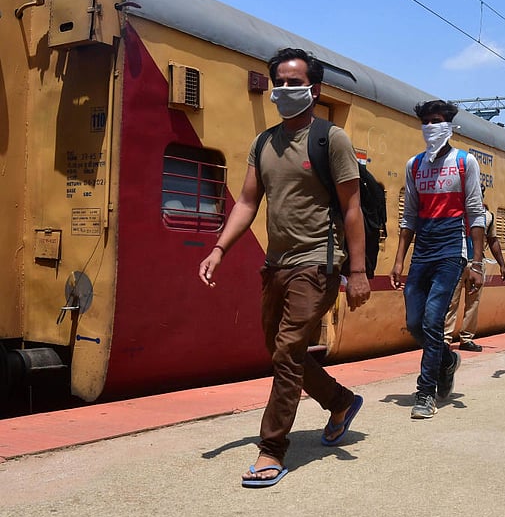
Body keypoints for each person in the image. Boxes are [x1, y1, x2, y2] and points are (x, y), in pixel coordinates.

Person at [198, 48, 369, 488]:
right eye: (281, 82)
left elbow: (352, 208)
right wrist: (219, 249)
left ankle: (271, 449)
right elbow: (248, 202)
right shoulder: (264, 143)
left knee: (288, 350)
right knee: (280, 351)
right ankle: (341, 401)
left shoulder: (332, 140)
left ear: (314, 89)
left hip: (318, 263)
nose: (286, 89)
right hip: (276, 265)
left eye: (296, 82)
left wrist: (358, 271)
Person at [390, 100, 485, 419]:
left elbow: (476, 214)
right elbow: (409, 216)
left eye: (437, 121)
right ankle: (447, 360)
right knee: (415, 323)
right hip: (422, 251)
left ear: (449, 125)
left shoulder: (464, 162)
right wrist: (399, 260)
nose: (431, 127)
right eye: (426, 122)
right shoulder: (414, 165)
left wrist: (476, 262)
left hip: (451, 251)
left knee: (433, 321)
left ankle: (425, 392)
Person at [443, 185, 505, 352]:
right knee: (451, 301)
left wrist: (502, 264)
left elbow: (493, 240)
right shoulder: (455, 214)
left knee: (473, 303)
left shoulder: (487, 217)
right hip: (455, 263)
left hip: (476, 265)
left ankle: (466, 338)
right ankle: (444, 338)